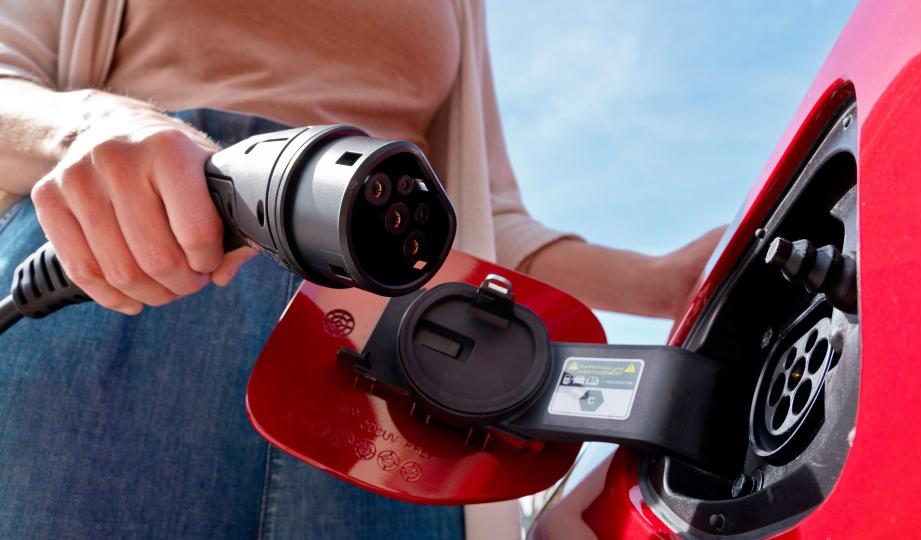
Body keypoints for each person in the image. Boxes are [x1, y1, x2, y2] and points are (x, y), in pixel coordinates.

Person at [0, 1, 722, 538]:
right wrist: (95, 128)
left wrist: (660, 282)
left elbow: (488, 217)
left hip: (391, 363)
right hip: (129, 269)